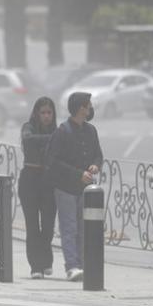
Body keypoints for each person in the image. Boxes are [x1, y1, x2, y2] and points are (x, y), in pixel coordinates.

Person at [46, 92, 103, 282]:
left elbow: (98, 154)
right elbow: (53, 161)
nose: (90, 108)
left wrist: (95, 165)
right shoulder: (62, 131)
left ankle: (82, 264)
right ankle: (71, 266)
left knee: (83, 228)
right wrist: (79, 174)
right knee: (69, 228)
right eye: (88, 105)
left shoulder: (91, 130)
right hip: (66, 188)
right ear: (81, 108)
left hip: (85, 190)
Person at [19, 97, 57, 279]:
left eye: (49, 113)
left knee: (48, 226)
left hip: (49, 181)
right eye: (43, 113)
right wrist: (51, 139)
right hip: (30, 180)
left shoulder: (57, 130)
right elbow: (28, 140)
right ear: (37, 113)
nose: (46, 116)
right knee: (32, 226)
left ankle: (46, 260)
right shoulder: (28, 127)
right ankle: (36, 266)